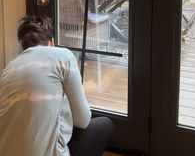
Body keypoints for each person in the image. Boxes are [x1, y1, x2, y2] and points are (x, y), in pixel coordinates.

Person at [0, 15, 114, 156]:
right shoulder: (63, 56)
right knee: (105, 124)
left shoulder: (10, 67)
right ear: (52, 42)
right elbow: (83, 120)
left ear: (23, 47)